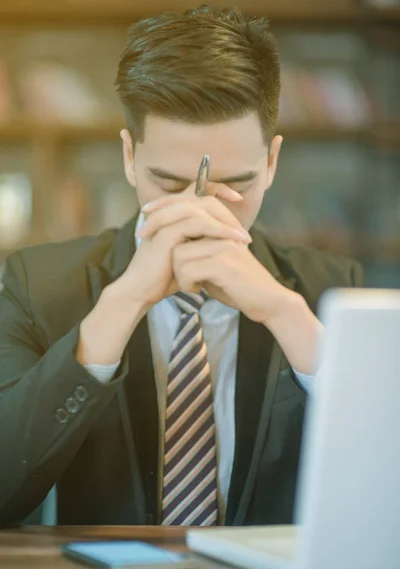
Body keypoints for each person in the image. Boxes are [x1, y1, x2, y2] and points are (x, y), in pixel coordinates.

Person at [0, 4, 363, 528]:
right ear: (129, 157)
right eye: (169, 185)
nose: (204, 209)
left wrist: (286, 315)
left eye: (235, 185)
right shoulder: (36, 286)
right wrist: (122, 304)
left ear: (272, 163)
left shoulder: (331, 290)